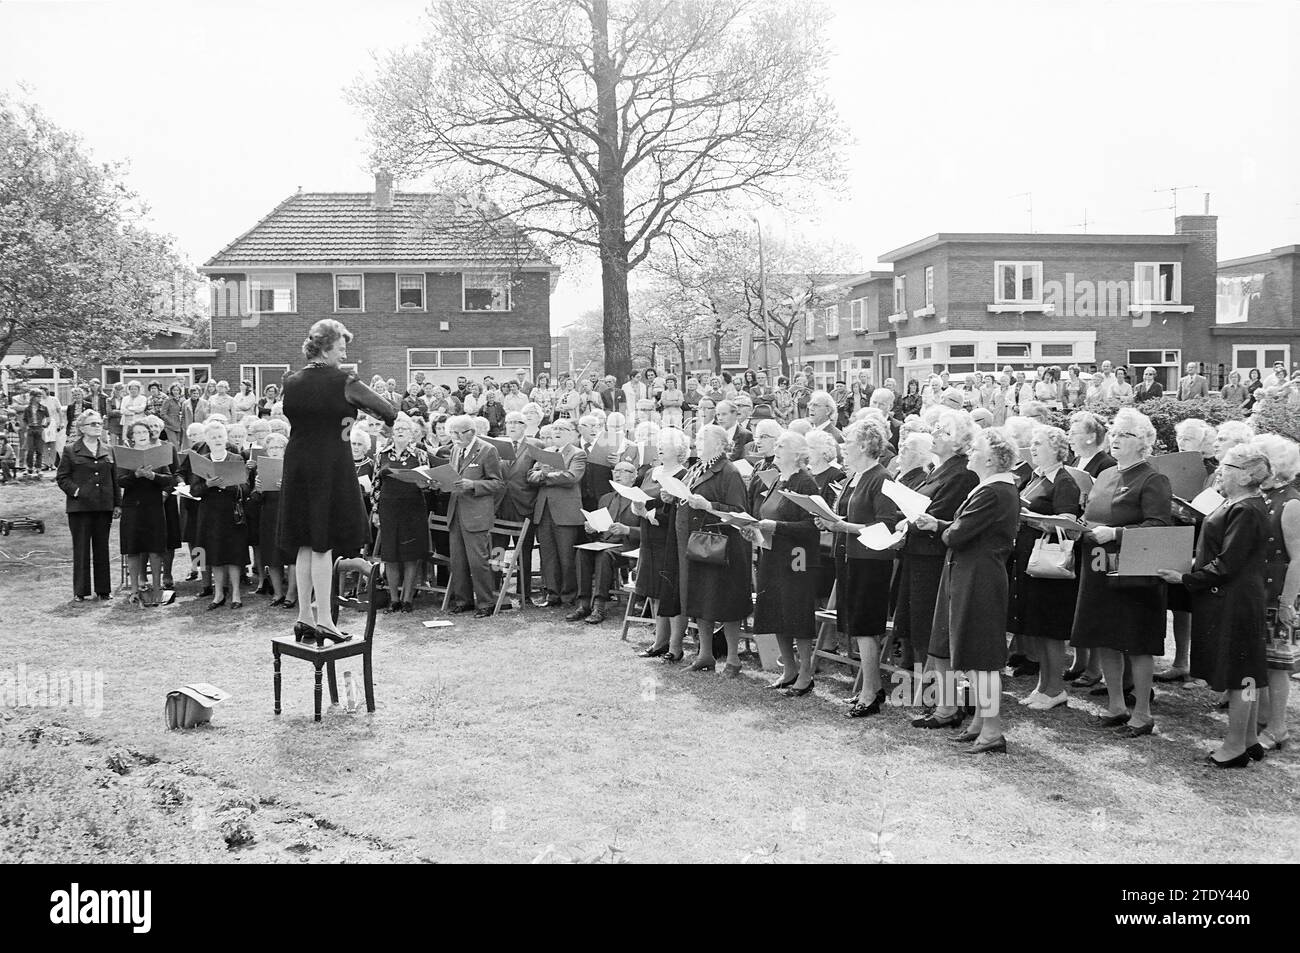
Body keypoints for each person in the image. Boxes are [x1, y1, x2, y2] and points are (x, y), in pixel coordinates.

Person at [279, 320, 398, 643]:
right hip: (329, 464)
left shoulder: (291, 381)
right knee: (323, 544)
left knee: (306, 543)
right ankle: (325, 621)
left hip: (297, 464)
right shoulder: (344, 380)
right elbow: (387, 410)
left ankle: (304, 617)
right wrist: (383, 418)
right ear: (327, 347)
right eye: (341, 348)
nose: (344, 354)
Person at [1157, 444, 1271, 767]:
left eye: (1228, 466)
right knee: (1246, 673)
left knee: (1241, 675)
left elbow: (1228, 562)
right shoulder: (1238, 503)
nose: (1221, 470)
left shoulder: (1246, 509)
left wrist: (1186, 578)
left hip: (1235, 599)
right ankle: (1248, 739)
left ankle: (1234, 746)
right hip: (1233, 596)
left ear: (1248, 475)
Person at [914, 427, 1023, 754]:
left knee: (981, 659)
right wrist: (940, 525)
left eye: (976, 450)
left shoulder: (993, 491)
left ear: (990, 457)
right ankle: (979, 724)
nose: (971, 455)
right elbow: (966, 530)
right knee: (976, 657)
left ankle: (992, 732)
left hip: (978, 576)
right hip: (973, 572)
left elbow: (960, 535)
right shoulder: (993, 488)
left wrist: (947, 530)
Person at [1069, 407, 1172, 738]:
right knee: (1104, 636)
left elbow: (1158, 526)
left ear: (1143, 442)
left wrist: (1115, 534)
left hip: (1133, 570)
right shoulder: (1108, 474)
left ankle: (1142, 712)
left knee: (1136, 640)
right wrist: (1076, 526)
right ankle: (1116, 705)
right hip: (1097, 562)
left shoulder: (1153, 479)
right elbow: (1095, 513)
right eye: (1113, 433)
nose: (1114, 439)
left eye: (1123, 435)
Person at [815, 419, 903, 714]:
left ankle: (871, 692)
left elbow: (887, 524)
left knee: (866, 626)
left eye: (849, 442)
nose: (843, 446)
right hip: (850, 557)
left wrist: (842, 525)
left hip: (870, 560)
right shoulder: (857, 476)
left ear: (864, 445)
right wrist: (830, 521)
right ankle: (871, 688)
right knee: (857, 626)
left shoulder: (881, 477)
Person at [895, 411, 980, 675]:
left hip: (934, 559)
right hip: (916, 554)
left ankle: (938, 691)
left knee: (928, 625)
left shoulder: (962, 472)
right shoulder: (937, 469)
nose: (933, 434)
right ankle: (927, 686)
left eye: (942, 431)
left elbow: (940, 513)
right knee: (916, 623)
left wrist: (906, 524)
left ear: (958, 441)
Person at [670, 424, 752, 674]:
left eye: (702, 439)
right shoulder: (696, 468)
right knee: (700, 599)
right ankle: (705, 654)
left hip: (720, 547)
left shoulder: (729, 471)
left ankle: (732, 659)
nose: (696, 442)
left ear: (718, 444)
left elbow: (740, 512)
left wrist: (709, 505)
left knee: (725, 603)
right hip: (695, 544)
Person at [1017, 425, 1083, 710]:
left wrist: (1030, 517)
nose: (1033, 448)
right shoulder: (1034, 477)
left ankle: (1055, 688)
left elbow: (1068, 523)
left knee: (1051, 628)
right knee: (1038, 626)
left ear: (1057, 449)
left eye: (1039, 443)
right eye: (1031, 443)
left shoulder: (1065, 482)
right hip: (1031, 560)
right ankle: (1043, 685)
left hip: (1050, 562)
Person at [1252, 433, 1300, 751]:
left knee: (1277, 666)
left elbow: (1298, 557)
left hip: (1278, 595)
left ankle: (1278, 727)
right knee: (1260, 661)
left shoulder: (1291, 502)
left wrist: (1288, 601)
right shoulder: (1261, 497)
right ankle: (1263, 717)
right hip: (1255, 593)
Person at [632, 428, 692, 659]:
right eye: (659, 444)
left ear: (678, 451)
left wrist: (649, 514)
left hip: (669, 538)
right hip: (649, 536)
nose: (660, 448)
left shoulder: (683, 474)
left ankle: (675, 645)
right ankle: (659, 641)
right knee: (654, 590)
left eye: (665, 445)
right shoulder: (650, 471)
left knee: (671, 590)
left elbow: (679, 509)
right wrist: (637, 508)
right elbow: (638, 495)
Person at [443, 414, 505, 617]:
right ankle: (464, 600)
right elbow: (452, 477)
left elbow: (498, 483)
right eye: (452, 433)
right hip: (456, 512)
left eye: (459, 433)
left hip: (477, 514)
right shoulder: (454, 449)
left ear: (472, 432)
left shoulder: (487, 450)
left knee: (479, 561)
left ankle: (486, 602)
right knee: (458, 561)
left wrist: (474, 485)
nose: (456, 437)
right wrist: (439, 483)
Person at [56, 410, 121, 601]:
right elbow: (62, 477)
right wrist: (77, 492)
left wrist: (117, 503)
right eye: (92, 424)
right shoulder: (70, 450)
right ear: (82, 428)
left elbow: (114, 479)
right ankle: (80, 591)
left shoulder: (109, 449)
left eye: (99, 423)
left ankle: (103, 590)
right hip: (80, 508)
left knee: (102, 548)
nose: (97, 427)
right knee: (82, 548)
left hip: (103, 506)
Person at [568, 460, 642, 625]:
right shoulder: (605, 498)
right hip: (604, 542)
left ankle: (599, 606)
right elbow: (600, 529)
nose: (618, 474)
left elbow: (648, 533)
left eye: (623, 471)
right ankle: (583, 604)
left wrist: (627, 530)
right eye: (615, 471)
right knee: (582, 551)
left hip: (627, 546)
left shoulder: (639, 499)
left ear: (634, 477)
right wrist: (592, 528)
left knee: (604, 555)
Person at [374, 414, 432, 613]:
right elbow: (376, 486)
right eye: (397, 428)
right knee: (390, 555)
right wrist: (375, 511)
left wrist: (424, 484)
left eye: (404, 429)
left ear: (412, 434)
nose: (399, 431)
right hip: (388, 508)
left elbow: (429, 484)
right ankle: (394, 599)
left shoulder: (421, 454)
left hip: (413, 508)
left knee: (410, 555)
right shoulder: (381, 454)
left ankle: (407, 599)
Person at [189, 420, 250, 610]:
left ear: (226, 438)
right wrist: (208, 485)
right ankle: (218, 593)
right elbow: (194, 490)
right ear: (207, 440)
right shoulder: (202, 460)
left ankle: (236, 594)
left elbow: (245, 488)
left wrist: (227, 486)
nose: (217, 440)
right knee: (214, 553)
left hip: (231, 512)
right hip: (210, 513)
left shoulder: (236, 458)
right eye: (213, 437)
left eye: (220, 436)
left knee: (233, 553)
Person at [528, 418, 588, 607]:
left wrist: (546, 474)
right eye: (555, 428)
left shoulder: (578, 454)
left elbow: (572, 477)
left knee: (566, 555)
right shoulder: (545, 452)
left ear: (573, 433)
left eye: (563, 428)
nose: (557, 431)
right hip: (543, 510)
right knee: (548, 554)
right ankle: (552, 594)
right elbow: (530, 475)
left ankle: (569, 595)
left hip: (566, 512)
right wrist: (546, 474)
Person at [117, 420, 177, 607]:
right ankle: (134, 589)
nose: (142, 435)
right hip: (132, 507)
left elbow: (170, 479)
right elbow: (119, 481)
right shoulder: (125, 455)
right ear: (131, 436)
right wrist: (135, 475)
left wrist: (153, 476)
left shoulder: (158, 453)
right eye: (137, 432)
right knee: (133, 548)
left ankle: (158, 589)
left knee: (156, 548)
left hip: (154, 506)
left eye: (145, 431)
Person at [251, 432, 297, 608]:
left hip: (289, 514)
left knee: (292, 556)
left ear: (285, 449)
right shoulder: (261, 468)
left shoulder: (292, 466)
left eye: (278, 447)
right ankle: (277, 593)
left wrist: (287, 487)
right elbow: (254, 499)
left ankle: (291, 594)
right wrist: (258, 489)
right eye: (271, 448)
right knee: (272, 555)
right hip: (269, 515)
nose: (275, 451)